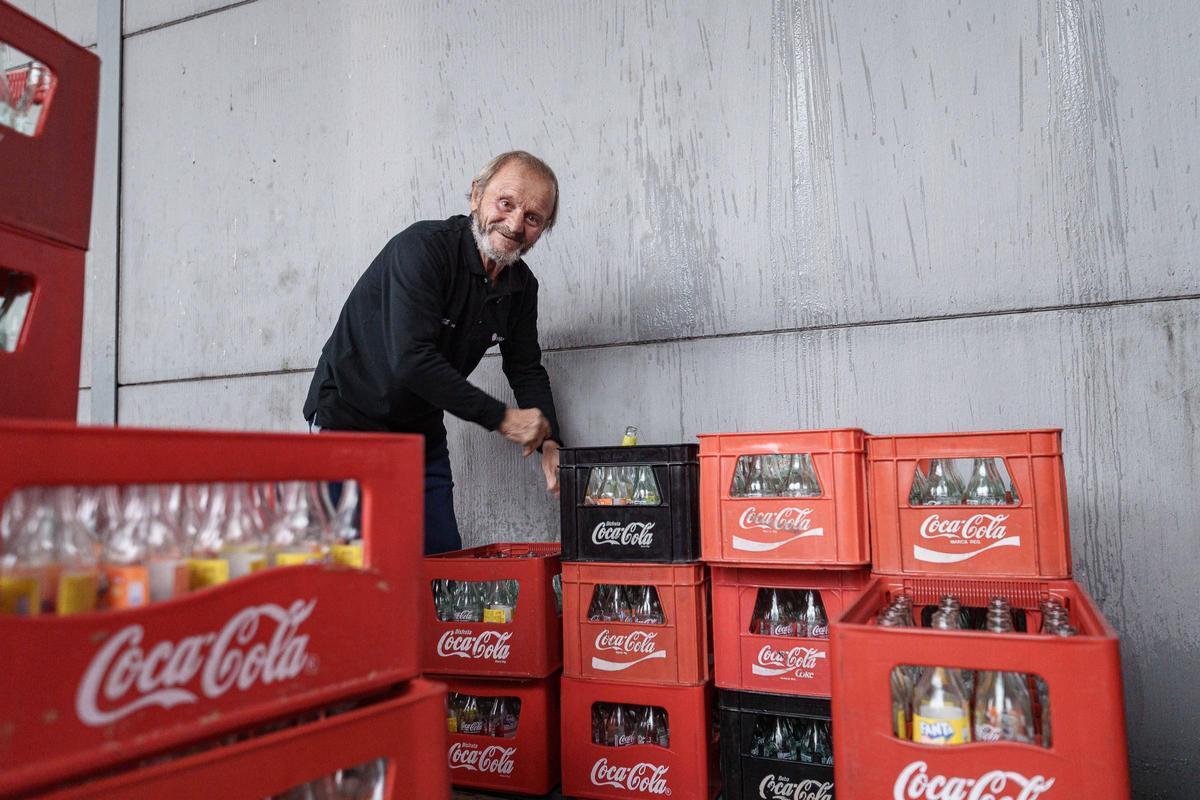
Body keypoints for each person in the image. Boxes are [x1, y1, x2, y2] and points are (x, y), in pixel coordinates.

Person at [303, 151, 563, 554]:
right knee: (355, 568)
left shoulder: (522, 287)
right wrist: (502, 418)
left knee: (444, 564)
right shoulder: (423, 249)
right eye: (505, 203)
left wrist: (550, 441)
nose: (514, 225)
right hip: (348, 418)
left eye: (533, 218)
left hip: (420, 432)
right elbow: (411, 360)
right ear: (476, 195)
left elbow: (526, 367)